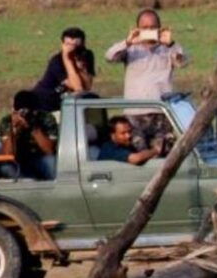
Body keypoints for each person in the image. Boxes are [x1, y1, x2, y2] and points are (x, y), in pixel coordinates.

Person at [105, 9, 187, 150]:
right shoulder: (130, 49)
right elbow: (110, 57)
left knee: (162, 153)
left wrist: (171, 44)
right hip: (135, 113)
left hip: (161, 112)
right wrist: (128, 42)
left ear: (160, 28)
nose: (149, 31)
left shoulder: (168, 48)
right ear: (137, 28)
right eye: (145, 28)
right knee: (139, 152)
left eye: (153, 27)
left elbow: (183, 62)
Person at [0, 90, 58, 180]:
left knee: (51, 162)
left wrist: (32, 127)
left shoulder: (46, 118)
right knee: (6, 168)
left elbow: (48, 150)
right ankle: (29, 183)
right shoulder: (7, 121)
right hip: (20, 158)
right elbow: (7, 154)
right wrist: (14, 131)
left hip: (40, 156)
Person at [33, 27, 95, 111]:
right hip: (45, 102)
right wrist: (67, 59)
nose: (72, 49)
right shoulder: (56, 61)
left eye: (75, 46)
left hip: (64, 104)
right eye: (68, 45)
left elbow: (86, 87)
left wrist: (81, 67)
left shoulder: (87, 56)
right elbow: (77, 88)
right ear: (62, 45)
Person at [98, 116, 163, 165]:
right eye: (123, 133)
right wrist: (155, 150)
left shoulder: (127, 145)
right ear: (112, 135)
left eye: (129, 132)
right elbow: (136, 158)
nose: (128, 136)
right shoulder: (109, 149)